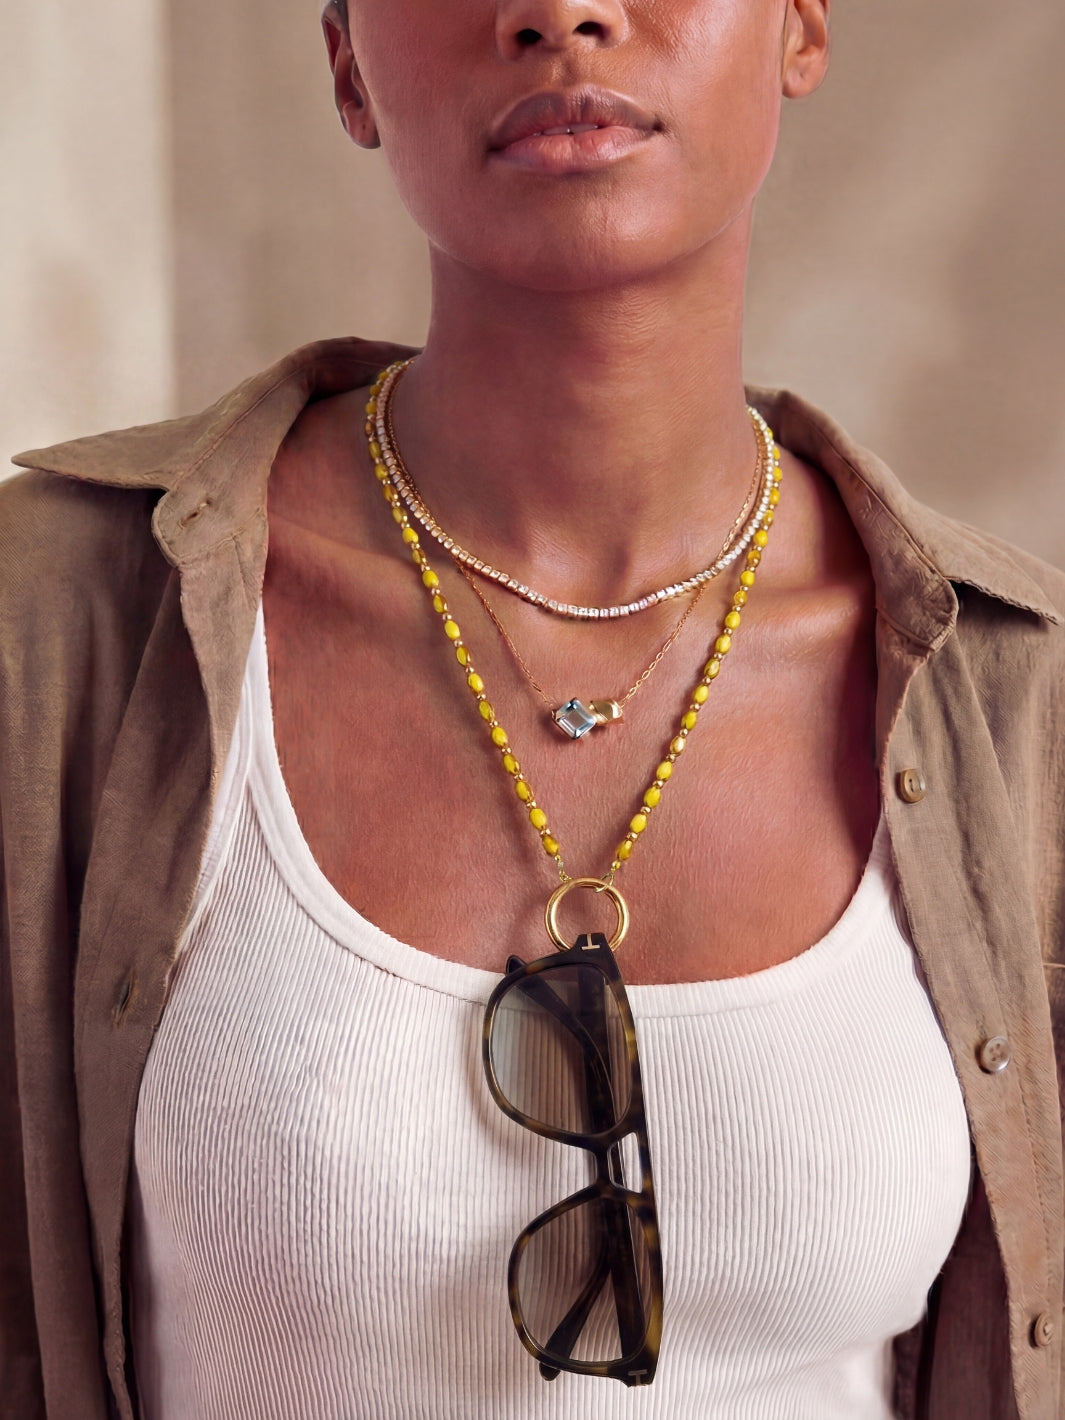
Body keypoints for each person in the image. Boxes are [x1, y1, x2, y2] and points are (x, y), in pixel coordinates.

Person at [1, 0, 1063, 1416]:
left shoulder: (1013, 691)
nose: (562, 11)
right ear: (346, 65)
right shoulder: (53, 629)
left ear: (801, 26)